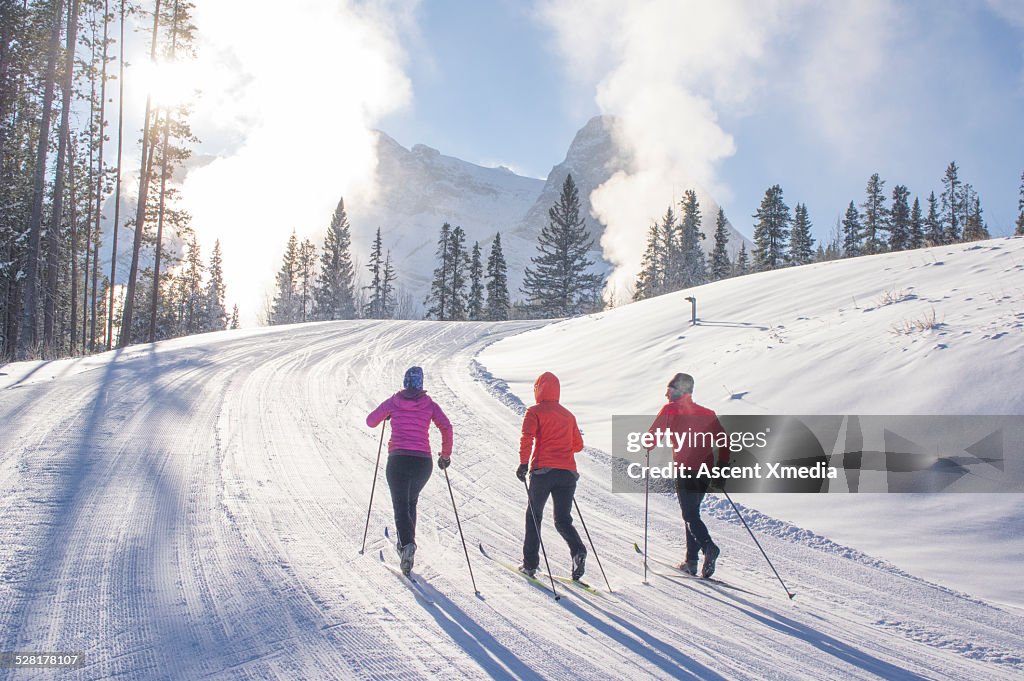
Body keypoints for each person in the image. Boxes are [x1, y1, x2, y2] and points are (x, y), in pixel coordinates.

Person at [366, 366, 452, 575]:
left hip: (398, 459)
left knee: (400, 504)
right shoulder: (429, 404)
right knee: (410, 501)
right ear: (421, 383)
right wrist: (445, 455)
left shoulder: (394, 401)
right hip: (422, 463)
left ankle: (407, 545)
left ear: (405, 381)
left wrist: (388, 415)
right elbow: (446, 427)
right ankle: (407, 546)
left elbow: (370, 421)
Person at [647, 372, 729, 578]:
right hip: (707, 471)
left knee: (690, 515)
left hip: (686, 470)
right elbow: (724, 442)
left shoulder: (671, 409)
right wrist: (722, 468)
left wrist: (648, 445)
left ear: (679, 390)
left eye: (669, 390)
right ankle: (691, 562)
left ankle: (708, 547)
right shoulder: (707, 413)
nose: (666, 394)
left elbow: (651, 438)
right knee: (692, 514)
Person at [516, 371, 588, 581]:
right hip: (567, 474)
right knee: (563, 520)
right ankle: (578, 551)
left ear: (538, 390)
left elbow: (527, 438)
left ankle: (530, 565)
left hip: (543, 471)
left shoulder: (534, 411)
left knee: (534, 515)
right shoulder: (568, 415)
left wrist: (522, 463)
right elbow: (578, 446)